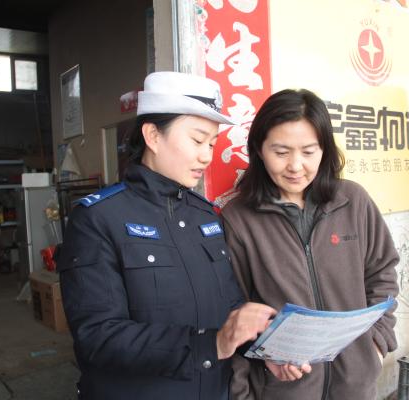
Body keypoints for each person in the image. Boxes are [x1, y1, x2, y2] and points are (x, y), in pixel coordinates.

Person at [56, 71, 277, 400]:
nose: (206, 155)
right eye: (197, 140)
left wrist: (265, 347)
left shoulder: (205, 216)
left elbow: (228, 306)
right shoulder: (98, 219)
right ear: (153, 136)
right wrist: (211, 344)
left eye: (212, 143)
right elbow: (98, 337)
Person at [221, 89, 400, 400]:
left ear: (324, 150)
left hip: (355, 388)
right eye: (281, 152)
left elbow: (382, 273)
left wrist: (376, 343)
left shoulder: (353, 201)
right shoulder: (238, 219)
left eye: (308, 151)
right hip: (281, 390)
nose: (295, 166)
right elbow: (231, 311)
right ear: (259, 150)